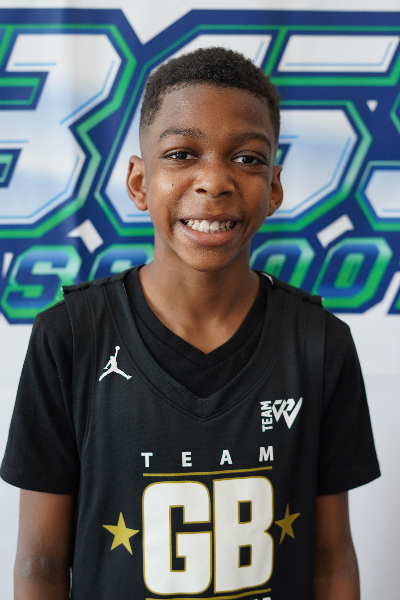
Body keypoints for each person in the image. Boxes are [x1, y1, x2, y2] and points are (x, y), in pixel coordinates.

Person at [1, 48, 380, 599]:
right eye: (181, 154)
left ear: (274, 188)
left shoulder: (319, 343)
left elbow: (332, 561)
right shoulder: (71, 338)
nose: (215, 181)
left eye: (247, 158)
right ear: (139, 181)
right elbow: (40, 565)